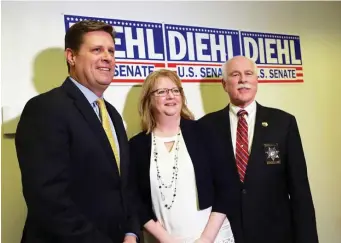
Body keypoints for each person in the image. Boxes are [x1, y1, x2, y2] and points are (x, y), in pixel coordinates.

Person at [15, 20, 139, 243]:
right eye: (96, 50)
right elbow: (48, 200)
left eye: (111, 51)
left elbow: (124, 186)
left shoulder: (112, 114)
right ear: (71, 56)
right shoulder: (45, 109)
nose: (108, 57)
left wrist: (131, 232)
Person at [198, 55, 319, 243]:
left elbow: (300, 190)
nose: (243, 79)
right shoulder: (206, 127)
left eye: (248, 74)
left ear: (257, 80)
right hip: (228, 234)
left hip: (276, 234)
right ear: (224, 84)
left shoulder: (283, 123)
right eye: (235, 74)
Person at [129, 69, 242, 243]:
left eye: (175, 90)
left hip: (213, 238)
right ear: (148, 99)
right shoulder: (137, 146)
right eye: (161, 92)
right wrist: (166, 239)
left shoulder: (206, 133)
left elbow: (227, 188)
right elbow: (135, 201)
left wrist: (206, 239)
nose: (170, 96)